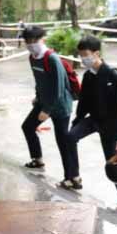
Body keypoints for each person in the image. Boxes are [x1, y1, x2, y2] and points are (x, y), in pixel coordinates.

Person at [68, 35, 117, 211]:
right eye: (81, 55)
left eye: (86, 55)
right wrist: (76, 122)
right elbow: (84, 103)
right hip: (94, 120)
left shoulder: (113, 76)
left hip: (112, 125)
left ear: (96, 53)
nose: (83, 59)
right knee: (70, 137)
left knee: (112, 164)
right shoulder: (89, 76)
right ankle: (74, 177)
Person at [20, 26, 75, 188]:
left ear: (42, 39)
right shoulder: (32, 57)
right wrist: (38, 97)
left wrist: (47, 110)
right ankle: (37, 160)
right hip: (44, 101)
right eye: (28, 42)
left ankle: (71, 178)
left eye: (34, 41)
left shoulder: (51, 59)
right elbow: (39, 80)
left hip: (60, 105)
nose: (31, 45)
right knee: (28, 126)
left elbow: (58, 87)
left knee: (62, 140)